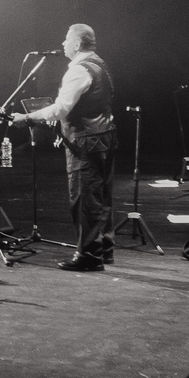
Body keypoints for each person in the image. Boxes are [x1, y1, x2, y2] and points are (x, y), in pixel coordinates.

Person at [10, 24, 119, 270]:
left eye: (67, 39)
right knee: (102, 198)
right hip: (104, 138)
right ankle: (104, 251)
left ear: (78, 44)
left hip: (86, 143)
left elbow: (60, 109)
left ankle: (89, 257)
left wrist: (27, 118)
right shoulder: (100, 65)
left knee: (85, 199)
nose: (62, 43)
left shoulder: (79, 70)